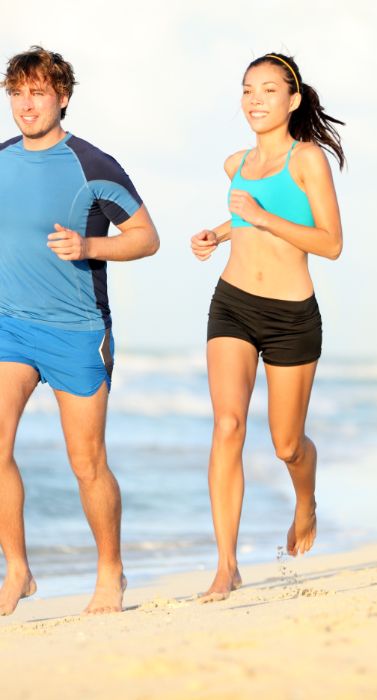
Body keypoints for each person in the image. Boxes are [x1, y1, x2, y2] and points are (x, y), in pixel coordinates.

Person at [0, 46, 159, 615]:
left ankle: (110, 573)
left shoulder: (92, 164)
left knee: (86, 462)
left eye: (38, 92)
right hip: (9, 330)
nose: (26, 104)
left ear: (63, 97)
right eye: (16, 93)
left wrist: (90, 245)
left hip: (77, 331)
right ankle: (17, 569)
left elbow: (146, 236)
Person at [191, 52, 344, 602]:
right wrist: (217, 233)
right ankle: (226, 565)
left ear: (293, 100)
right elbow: (247, 220)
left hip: (290, 316)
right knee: (228, 426)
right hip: (232, 304)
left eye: (268, 90)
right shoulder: (236, 163)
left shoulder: (308, 160)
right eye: (247, 90)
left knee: (285, 446)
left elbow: (329, 242)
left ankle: (306, 502)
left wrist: (257, 217)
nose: (255, 99)